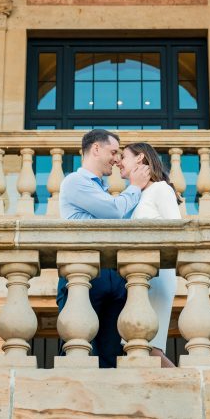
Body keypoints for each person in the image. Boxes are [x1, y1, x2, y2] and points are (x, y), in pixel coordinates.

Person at [57, 129, 151, 368]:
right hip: (84, 275)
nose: (117, 159)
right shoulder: (75, 182)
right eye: (113, 152)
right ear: (95, 149)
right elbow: (113, 212)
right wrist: (136, 187)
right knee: (80, 350)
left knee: (112, 354)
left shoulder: (102, 189)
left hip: (113, 276)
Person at [120, 142, 181, 368]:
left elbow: (176, 229)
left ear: (140, 158)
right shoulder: (137, 195)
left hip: (157, 276)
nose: (118, 162)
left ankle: (188, 385)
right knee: (137, 343)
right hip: (140, 278)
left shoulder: (160, 189)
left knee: (149, 345)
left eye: (123, 156)